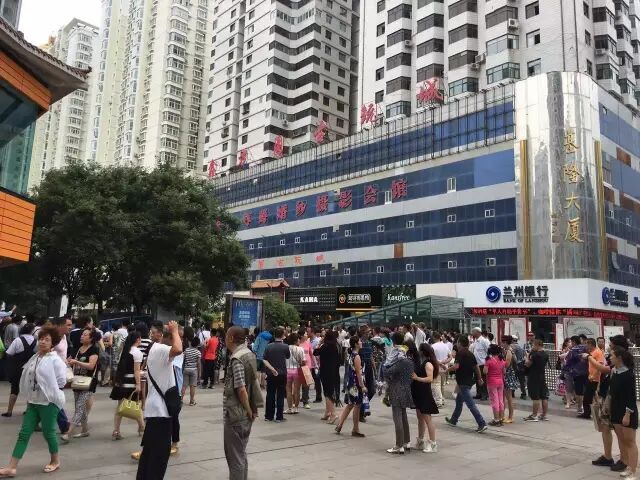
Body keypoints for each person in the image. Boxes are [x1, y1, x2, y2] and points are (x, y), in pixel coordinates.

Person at [0, 326, 67, 476]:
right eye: (41, 339)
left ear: (53, 343)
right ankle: (11, 467)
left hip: (49, 403)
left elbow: (61, 381)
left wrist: (50, 392)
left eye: (47, 339)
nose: (43, 342)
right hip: (33, 401)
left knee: (48, 433)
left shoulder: (55, 360)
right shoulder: (35, 357)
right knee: (24, 434)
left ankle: (55, 461)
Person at [136, 321, 182, 480]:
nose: (178, 340)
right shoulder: (160, 349)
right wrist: (175, 331)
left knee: (149, 454)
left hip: (155, 411)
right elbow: (178, 349)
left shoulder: (155, 351)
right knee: (158, 457)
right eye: (177, 338)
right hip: (160, 413)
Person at [223, 326, 263, 480]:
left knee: (235, 458)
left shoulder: (237, 358)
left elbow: (241, 389)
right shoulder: (249, 353)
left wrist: (249, 410)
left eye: (226, 336)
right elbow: (253, 383)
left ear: (231, 338)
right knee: (240, 453)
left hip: (236, 414)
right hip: (245, 413)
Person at [588, 335, 631, 471]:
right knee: (605, 426)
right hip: (606, 395)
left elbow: (604, 369)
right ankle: (607, 456)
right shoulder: (613, 357)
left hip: (614, 399)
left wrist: (589, 358)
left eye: (611, 344)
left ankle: (624, 459)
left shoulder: (622, 360)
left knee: (619, 429)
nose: (608, 346)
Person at [62, 327, 101, 443]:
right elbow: (69, 360)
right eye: (82, 334)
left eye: (85, 335)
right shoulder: (77, 349)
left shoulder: (94, 349)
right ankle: (84, 430)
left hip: (88, 382)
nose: (82, 336)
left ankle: (68, 433)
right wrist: (68, 361)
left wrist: (77, 362)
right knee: (80, 407)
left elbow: (91, 366)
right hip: (77, 381)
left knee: (79, 407)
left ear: (91, 338)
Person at [445, 336, 487, 433]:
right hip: (469, 381)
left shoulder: (460, 353)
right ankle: (453, 420)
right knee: (459, 401)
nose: (457, 344)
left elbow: (456, 366)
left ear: (460, 343)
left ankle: (481, 423)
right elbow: (476, 367)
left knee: (470, 404)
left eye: (457, 342)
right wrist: (479, 378)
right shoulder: (471, 354)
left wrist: (447, 370)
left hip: (463, 383)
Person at [608, 347, 638, 480]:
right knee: (622, 440)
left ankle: (633, 471)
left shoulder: (628, 374)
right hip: (615, 410)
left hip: (627, 411)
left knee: (630, 441)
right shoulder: (614, 371)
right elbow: (612, 391)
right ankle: (628, 467)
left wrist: (627, 414)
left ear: (619, 358)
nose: (610, 358)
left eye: (612, 356)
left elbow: (631, 397)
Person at [110, 332, 145, 439]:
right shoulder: (137, 352)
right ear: (137, 339)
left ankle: (116, 431)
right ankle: (142, 427)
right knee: (136, 407)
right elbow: (136, 370)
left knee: (120, 408)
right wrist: (138, 384)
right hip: (131, 383)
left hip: (121, 382)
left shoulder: (124, 350)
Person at [384, 333, 414, 453]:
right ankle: (407, 442)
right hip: (406, 390)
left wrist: (385, 367)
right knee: (404, 416)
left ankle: (399, 445)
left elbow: (387, 372)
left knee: (397, 417)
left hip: (397, 390)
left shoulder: (399, 362)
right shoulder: (410, 361)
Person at [2, 323, 36, 418]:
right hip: (31, 368)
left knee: (14, 389)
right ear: (32, 331)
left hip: (17, 368)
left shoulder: (18, 340)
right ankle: (28, 410)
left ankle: (9, 411)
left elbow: (9, 353)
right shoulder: (36, 341)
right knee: (30, 389)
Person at [409, 342, 439, 453]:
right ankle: (420, 441)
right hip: (419, 393)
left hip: (425, 394)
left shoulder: (428, 364)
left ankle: (433, 443)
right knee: (420, 419)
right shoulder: (422, 362)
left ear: (422, 351)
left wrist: (417, 378)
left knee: (428, 420)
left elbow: (430, 379)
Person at [334, 336, 366, 438]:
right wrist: (362, 385)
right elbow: (358, 372)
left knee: (350, 404)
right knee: (357, 405)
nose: (361, 342)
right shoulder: (357, 356)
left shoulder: (351, 354)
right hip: (356, 384)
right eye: (359, 341)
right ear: (356, 344)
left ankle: (340, 424)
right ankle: (355, 429)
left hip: (351, 383)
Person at [262, 327, 290, 422]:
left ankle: (268, 416)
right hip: (282, 373)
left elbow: (264, 359)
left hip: (271, 374)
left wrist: (272, 369)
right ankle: (279, 417)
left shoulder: (268, 346)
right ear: (282, 335)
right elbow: (288, 356)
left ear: (274, 335)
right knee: (280, 395)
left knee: (270, 394)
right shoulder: (285, 346)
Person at [314, 330, 341, 424]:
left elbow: (315, 352)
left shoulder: (325, 346)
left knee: (327, 393)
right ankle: (327, 412)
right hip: (334, 371)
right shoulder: (336, 346)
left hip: (326, 371)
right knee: (329, 391)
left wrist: (319, 343)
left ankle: (333, 414)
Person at [523, 339, 549, 422]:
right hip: (542, 376)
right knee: (544, 396)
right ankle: (544, 415)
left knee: (535, 397)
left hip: (533, 376)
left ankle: (534, 415)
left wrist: (527, 357)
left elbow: (528, 364)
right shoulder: (545, 354)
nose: (532, 347)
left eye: (533, 345)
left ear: (537, 345)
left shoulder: (534, 355)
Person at [580, 338, 605, 420]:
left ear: (590, 344)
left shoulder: (598, 352)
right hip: (590, 377)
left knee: (588, 396)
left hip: (594, 378)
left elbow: (600, 365)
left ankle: (587, 413)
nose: (586, 346)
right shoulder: (592, 352)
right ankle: (587, 412)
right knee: (588, 396)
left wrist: (594, 376)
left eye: (587, 344)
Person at [564, 335, 588, 415]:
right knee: (585, 390)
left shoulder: (573, 350)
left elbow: (568, 361)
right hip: (586, 372)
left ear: (574, 342)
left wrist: (565, 370)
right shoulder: (585, 348)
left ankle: (579, 407)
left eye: (571, 342)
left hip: (576, 373)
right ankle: (585, 407)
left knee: (578, 392)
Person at [484, 344, 506, 426]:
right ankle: (501, 418)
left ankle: (496, 419)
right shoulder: (502, 360)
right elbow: (504, 372)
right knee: (500, 400)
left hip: (491, 382)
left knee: (494, 401)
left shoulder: (489, 360)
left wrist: (486, 364)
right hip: (500, 381)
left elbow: (485, 371)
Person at [283, 333, 305, 415]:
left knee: (288, 390)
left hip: (287, 370)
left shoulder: (285, 348)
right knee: (297, 390)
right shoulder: (300, 349)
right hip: (297, 370)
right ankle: (296, 408)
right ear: (295, 341)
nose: (299, 340)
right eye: (298, 339)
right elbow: (303, 362)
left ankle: (290, 408)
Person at [430, 332, 452, 408]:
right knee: (442, 384)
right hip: (445, 368)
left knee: (436, 384)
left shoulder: (433, 346)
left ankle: (438, 401)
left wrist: (440, 363)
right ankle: (442, 399)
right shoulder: (446, 346)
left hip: (436, 367)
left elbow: (432, 358)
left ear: (434, 337)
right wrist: (444, 362)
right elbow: (450, 357)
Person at [501, 336, 519, 424]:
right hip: (507, 375)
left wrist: (499, 362)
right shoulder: (506, 350)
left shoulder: (509, 351)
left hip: (508, 375)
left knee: (509, 398)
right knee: (504, 397)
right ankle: (503, 415)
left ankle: (510, 417)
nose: (501, 344)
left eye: (502, 342)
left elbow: (507, 364)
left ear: (505, 342)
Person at [470, 328, 489, 400]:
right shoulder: (476, 341)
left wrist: (487, 363)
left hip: (482, 363)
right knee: (478, 379)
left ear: (478, 332)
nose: (472, 332)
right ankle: (479, 393)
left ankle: (485, 394)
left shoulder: (484, 341)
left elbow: (489, 351)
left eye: (473, 331)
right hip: (476, 364)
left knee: (483, 379)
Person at [299, 329, 316, 409]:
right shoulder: (297, 343)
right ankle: (296, 400)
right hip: (299, 366)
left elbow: (312, 354)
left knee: (307, 383)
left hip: (307, 366)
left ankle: (305, 401)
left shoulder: (308, 343)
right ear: (301, 336)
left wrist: (315, 364)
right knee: (298, 383)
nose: (307, 335)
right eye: (305, 334)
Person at [182, 337, 202, 406]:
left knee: (184, 385)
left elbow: (183, 359)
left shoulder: (186, 350)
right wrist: (199, 373)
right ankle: (191, 401)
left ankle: (180, 400)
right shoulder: (198, 352)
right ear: (198, 344)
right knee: (192, 386)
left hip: (186, 369)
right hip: (194, 370)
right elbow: (198, 363)